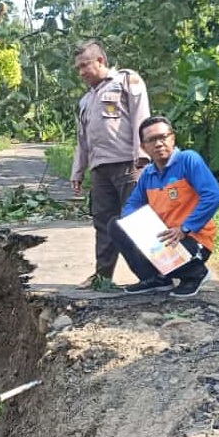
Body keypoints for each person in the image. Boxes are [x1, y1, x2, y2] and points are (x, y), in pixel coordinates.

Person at [108, 115, 219, 298]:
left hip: (192, 237)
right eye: (152, 140)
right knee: (117, 224)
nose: (159, 143)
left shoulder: (188, 160)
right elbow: (132, 205)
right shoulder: (148, 174)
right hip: (163, 238)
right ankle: (154, 278)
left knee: (168, 247)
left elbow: (213, 196)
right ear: (143, 147)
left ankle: (196, 274)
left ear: (173, 138)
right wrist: (136, 227)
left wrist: (185, 228)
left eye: (163, 137)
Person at [70, 40, 150, 289]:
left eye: (85, 65)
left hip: (128, 165)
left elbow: (141, 117)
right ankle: (102, 277)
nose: (81, 72)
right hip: (100, 170)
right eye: (78, 69)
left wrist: (143, 155)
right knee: (103, 223)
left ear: (101, 61)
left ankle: (158, 275)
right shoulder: (85, 101)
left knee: (139, 222)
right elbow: (82, 139)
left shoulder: (126, 82)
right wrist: (78, 170)